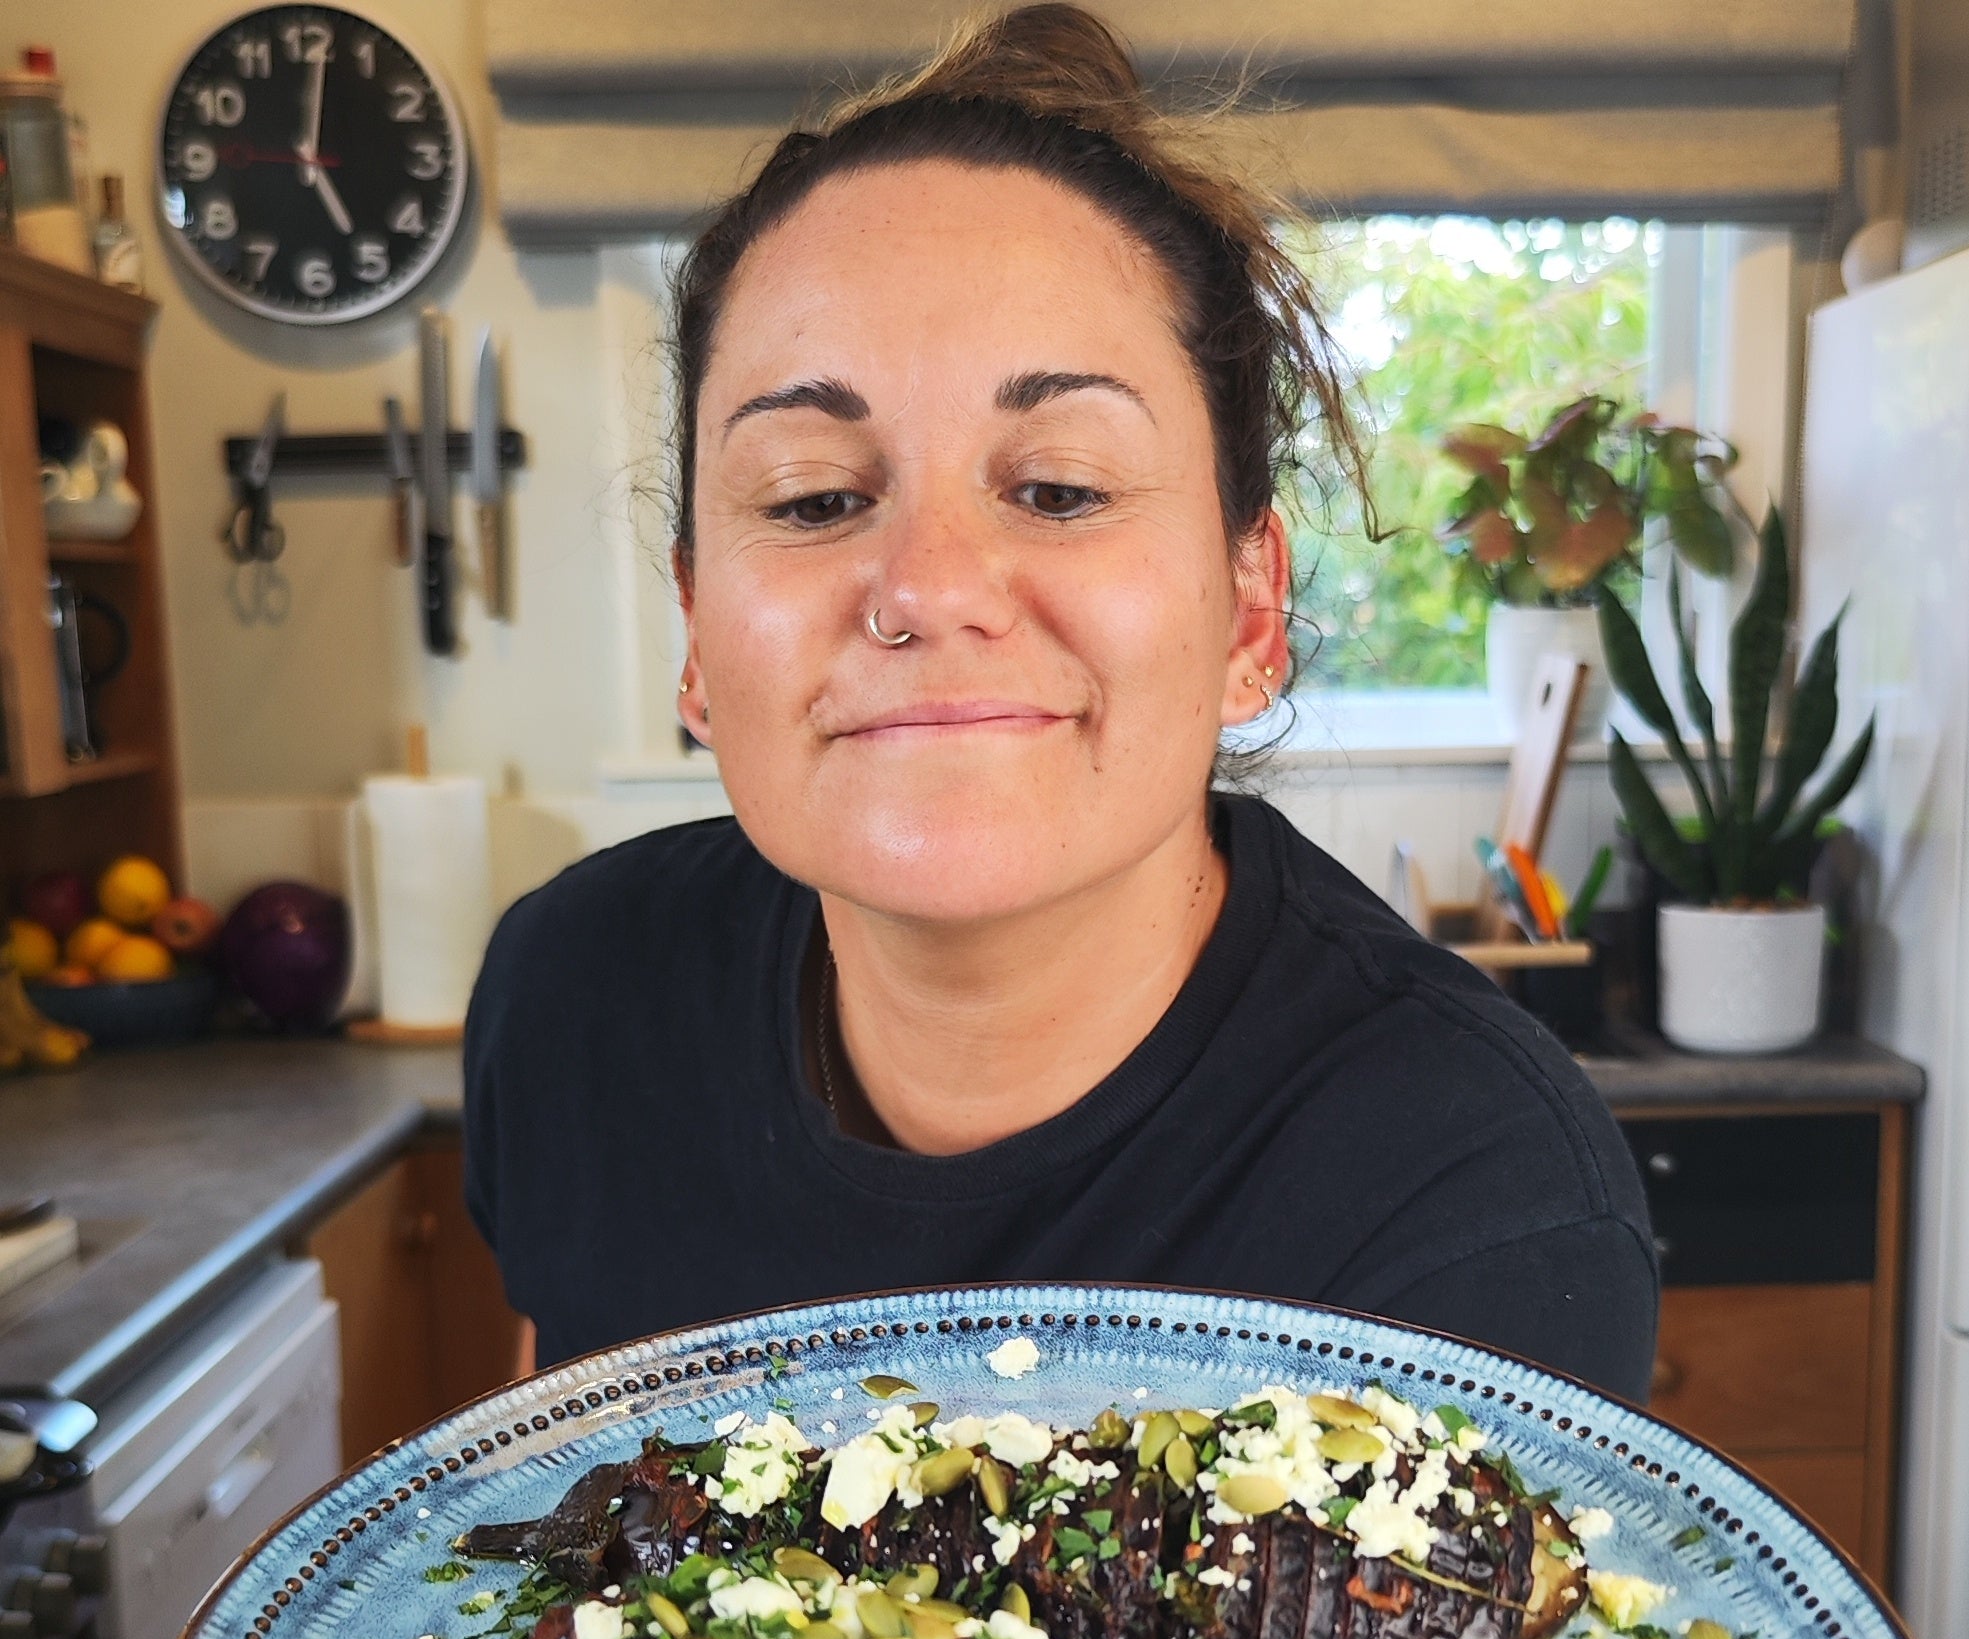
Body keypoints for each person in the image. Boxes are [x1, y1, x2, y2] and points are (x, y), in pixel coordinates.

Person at [465, 4, 1656, 1399]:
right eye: (814, 497)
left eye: (1058, 488)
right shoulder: (576, 1002)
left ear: (1249, 611)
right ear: (694, 631)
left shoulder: (1466, 1193)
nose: (927, 586)